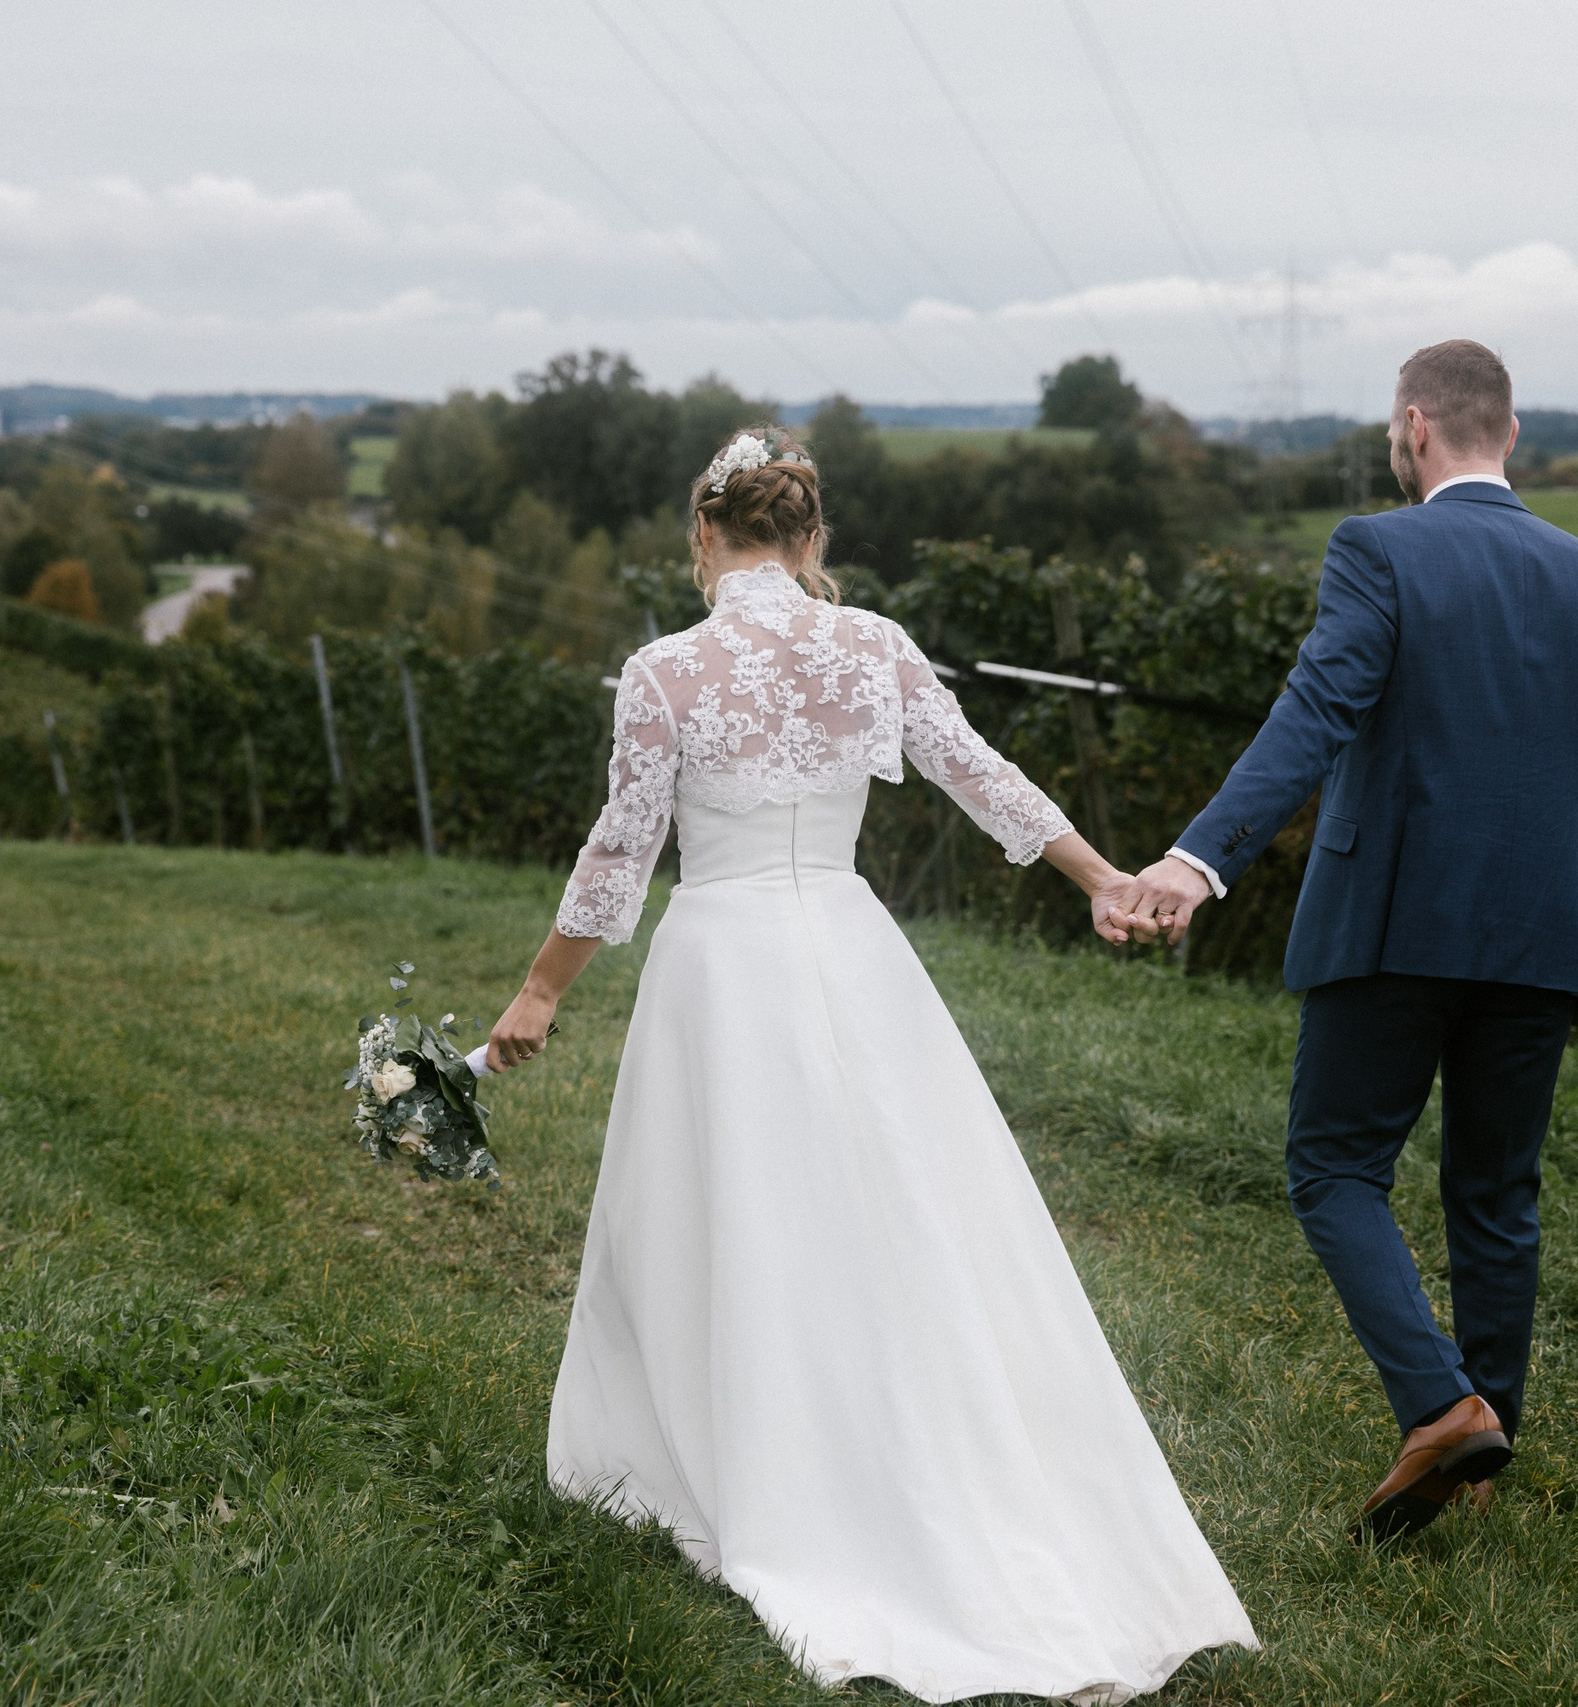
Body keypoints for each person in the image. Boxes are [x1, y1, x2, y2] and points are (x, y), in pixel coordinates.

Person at [486, 426, 1257, 1702]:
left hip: (722, 963)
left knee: (715, 1208)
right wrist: (1099, 877)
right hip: (850, 945)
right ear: (810, 539)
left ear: (703, 537)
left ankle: (742, 1448)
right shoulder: (875, 646)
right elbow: (983, 777)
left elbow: (620, 854)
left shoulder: (665, 671)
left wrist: (538, 992)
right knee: (892, 1198)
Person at [1111, 340, 1578, 1544]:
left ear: (1413, 427)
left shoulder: (1378, 548)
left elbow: (1314, 712)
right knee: (1496, 1193)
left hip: (1392, 925)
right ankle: (1480, 1444)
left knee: (1333, 1168)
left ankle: (1441, 1408)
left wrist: (1197, 861)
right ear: (1508, 434)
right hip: (1546, 938)